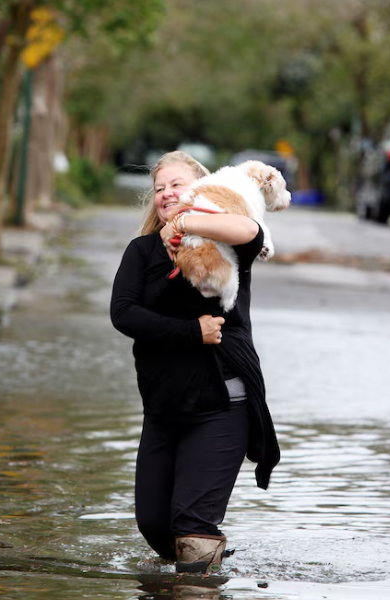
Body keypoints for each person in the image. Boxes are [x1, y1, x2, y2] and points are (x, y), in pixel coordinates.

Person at [110, 151, 280, 574]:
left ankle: (198, 572)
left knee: (191, 526)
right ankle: (203, 570)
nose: (167, 194)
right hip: (164, 406)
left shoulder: (229, 240)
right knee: (154, 525)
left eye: (177, 185)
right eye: (159, 188)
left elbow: (250, 228)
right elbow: (123, 313)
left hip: (222, 405)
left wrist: (186, 221)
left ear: (202, 186)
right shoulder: (142, 251)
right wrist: (191, 332)